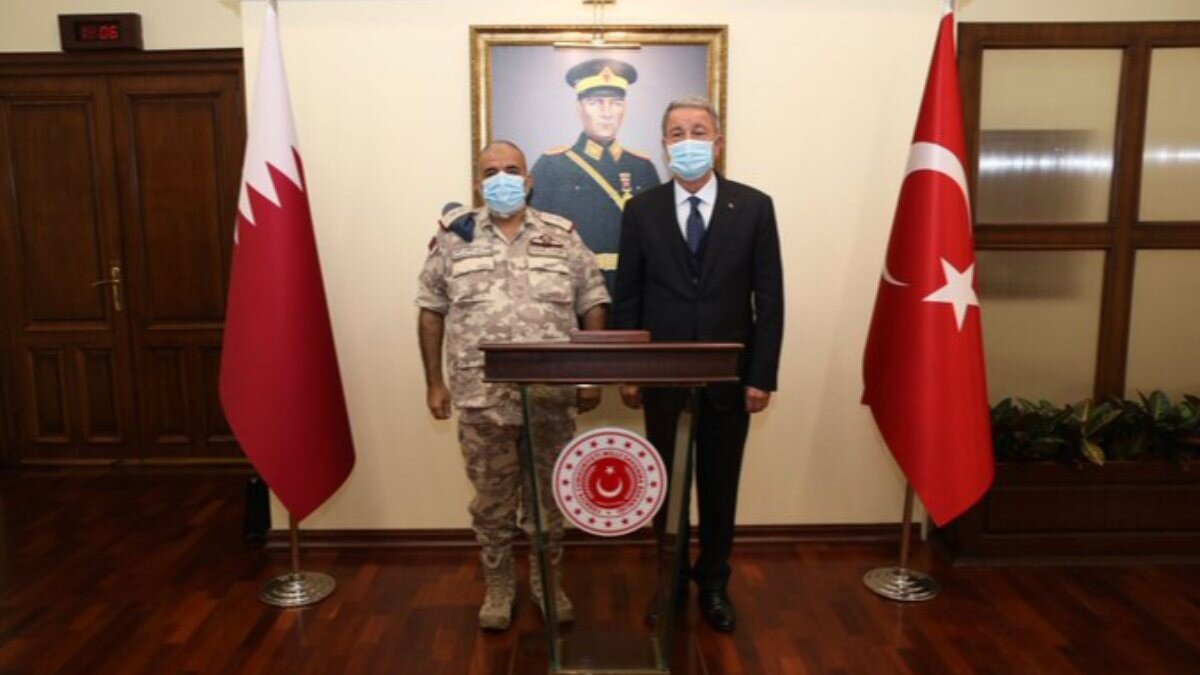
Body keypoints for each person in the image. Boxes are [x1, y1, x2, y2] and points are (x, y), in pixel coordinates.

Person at [416, 141, 610, 630]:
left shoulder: (561, 235)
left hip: (550, 398)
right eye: (490, 172)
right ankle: (499, 587)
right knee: (491, 502)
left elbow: (592, 301)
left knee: (549, 500)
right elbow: (431, 310)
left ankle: (547, 583)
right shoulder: (453, 239)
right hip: (481, 399)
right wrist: (435, 384)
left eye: (511, 170)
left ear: (528, 180)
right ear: (478, 183)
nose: (501, 178)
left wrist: (590, 375)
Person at [612, 96, 784, 633]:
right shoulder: (641, 210)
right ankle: (669, 583)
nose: (688, 141)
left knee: (718, 487)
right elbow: (628, 298)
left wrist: (761, 376)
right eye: (677, 133)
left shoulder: (753, 206)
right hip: (661, 378)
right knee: (664, 488)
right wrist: (629, 372)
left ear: (718, 142)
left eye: (698, 131)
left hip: (729, 379)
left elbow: (770, 300)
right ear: (664, 145)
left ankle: (713, 584)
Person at [530, 57, 661, 291]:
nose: (607, 113)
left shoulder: (642, 167)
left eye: (616, 103)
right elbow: (534, 235)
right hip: (571, 285)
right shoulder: (552, 165)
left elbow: (657, 238)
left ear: (625, 108)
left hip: (631, 287)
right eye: (595, 103)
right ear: (579, 108)